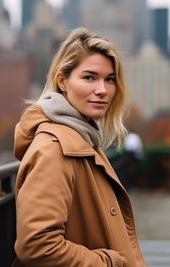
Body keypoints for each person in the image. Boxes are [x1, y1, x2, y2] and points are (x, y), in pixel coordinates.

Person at [12, 28, 147, 266]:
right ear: (62, 81)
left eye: (110, 79)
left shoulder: (82, 137)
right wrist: (109, 263)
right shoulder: (54, 148)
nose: (102, 90)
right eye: (89, 77)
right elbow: (37, 246)